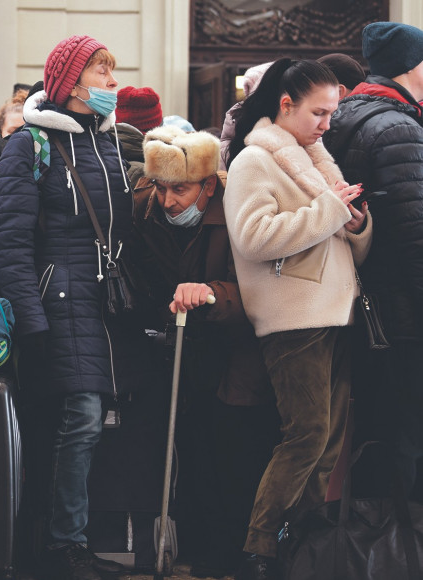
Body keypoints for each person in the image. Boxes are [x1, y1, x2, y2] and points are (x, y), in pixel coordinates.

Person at [222, 58, 371, 580]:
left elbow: (332, 239)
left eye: (332, 112)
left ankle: (302, 544)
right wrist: (331, 210)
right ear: (286, 105)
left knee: (327, 437)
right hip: (293, 316)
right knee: (307, 432)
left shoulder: (311, 157)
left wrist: (355, 222)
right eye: (320, 113)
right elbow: (254, 238)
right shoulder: (254, 162)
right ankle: (259, 549)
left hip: (333, 310)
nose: (327, 124)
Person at [0, 34, 132, 580]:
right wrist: (31, 318)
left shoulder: (109, 142)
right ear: (71, 82)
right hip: (59, 303)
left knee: (88, 423)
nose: (111, 84)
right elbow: (11, 241)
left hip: (103, 307)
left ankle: (66, 543)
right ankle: (59, 547)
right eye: (102, 73)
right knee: (82, 419)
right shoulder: (30, 144)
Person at [131, 125, 276, 577]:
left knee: (232, 453)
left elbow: (262, 287)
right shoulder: (146, 209)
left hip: (237, 350)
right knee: (188, 453)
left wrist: (212, 292)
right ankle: (196, 549)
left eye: (180, 189)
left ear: (208, 185)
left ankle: (233, 552)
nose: (167, 199)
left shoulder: (238, 210)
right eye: (160, 186)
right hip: (179, 349)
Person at [323, 22, 423, 492]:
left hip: (359, 302)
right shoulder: (399, 125)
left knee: (374, 432)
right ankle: (396, 551)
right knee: (404, 434)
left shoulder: (345, 114)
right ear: (412, 66)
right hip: (401, 311)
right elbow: (414, 233)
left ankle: (367, 543)